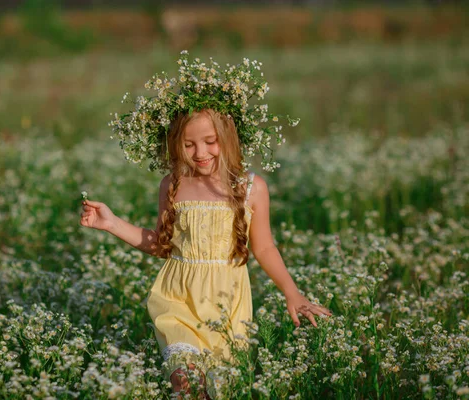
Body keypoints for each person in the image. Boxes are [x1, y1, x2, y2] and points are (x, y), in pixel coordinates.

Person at [80, 52, 332, 399]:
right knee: (186, 384)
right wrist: (111, 223)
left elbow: (264, 247)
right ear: (175, 145)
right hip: (177, 300)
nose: (201, 152)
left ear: (228, 139)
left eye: (210, 141)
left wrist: (293, 292)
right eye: (189, 144)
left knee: (218, 391)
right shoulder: (173, 185)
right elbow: (161, 245)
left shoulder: (251, 189)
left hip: (228, 308)